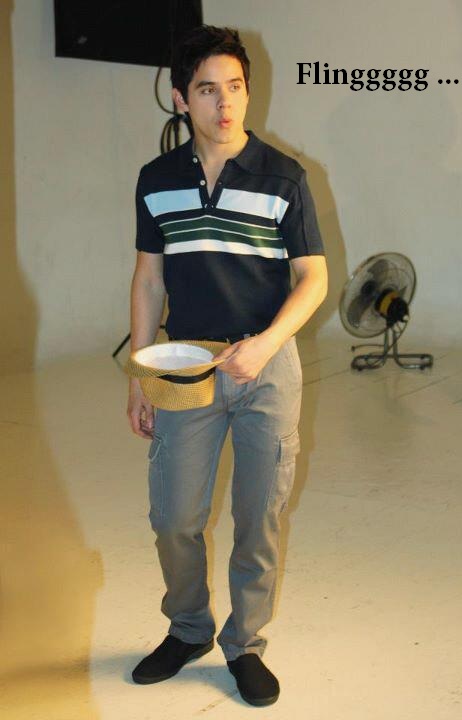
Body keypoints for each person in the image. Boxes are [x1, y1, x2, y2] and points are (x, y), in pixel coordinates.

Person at [127, 25, 328, 707]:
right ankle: (188, 630)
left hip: (266, 367)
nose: (226, 103)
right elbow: (149, 280)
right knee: (173, 518)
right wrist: (141, 377)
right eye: (208, 90)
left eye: (236, 87)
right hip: (187, 367)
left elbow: (314, 279)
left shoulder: (283, 176)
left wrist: (266, 344)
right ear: (181, 99)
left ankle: (244, 645)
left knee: (258, 517)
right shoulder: (156, 181)